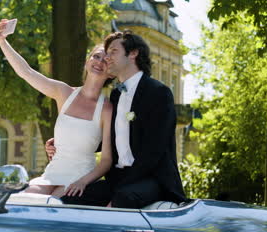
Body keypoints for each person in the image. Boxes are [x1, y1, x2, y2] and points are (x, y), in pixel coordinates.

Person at [48, 30, 187, 208]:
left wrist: (122, 187)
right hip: (118, 178)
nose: (107, 57)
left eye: (113, 51)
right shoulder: (115, 95)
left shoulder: (158, 92)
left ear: (133, 53)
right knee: (69, 198)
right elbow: (111, 139)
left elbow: (154, 150)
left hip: (151, 179)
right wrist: (65, 141)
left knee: (123, 198)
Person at [0, 19, 113, 198]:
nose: (99, 62)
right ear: (87, 62)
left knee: (51, 204)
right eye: (96, 56)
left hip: (80, 179)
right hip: (51, 175)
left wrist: (84, 181)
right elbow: (26, 72)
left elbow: (106, 160)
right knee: (17, 197)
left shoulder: (107, 109)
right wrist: (2, 42)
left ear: (111, 72)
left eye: (106, 60)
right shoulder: (64, 92)